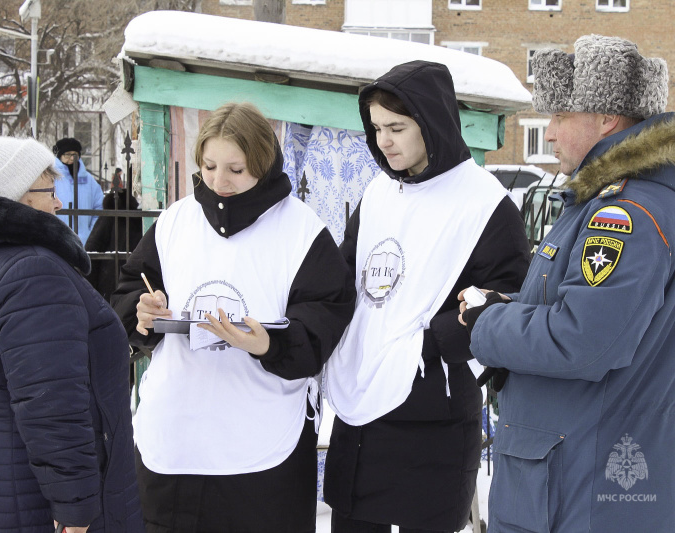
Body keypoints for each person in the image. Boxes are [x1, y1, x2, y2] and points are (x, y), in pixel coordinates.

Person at [460, 35, 674, 532]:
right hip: (569, 480)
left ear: (606, 120)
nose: (549, 134)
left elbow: (584, 340)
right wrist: (510, 304)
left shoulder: (624, 214)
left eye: (559, 117)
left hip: (578, 491)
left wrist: (488, 322)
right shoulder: (608, 202)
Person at [111, 102, 356, 533]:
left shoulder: (301, 231)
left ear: (262, 164)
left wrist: (268, 343)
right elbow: (132, 290)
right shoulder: (174, 222)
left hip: (261, 448)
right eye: (208, 166)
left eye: (236, 169)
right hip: (174, 438)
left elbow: (325, 319)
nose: (218, 181)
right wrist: (141, 314)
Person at [322, 60, 530, 533]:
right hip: (362, 411)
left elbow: (507, 299)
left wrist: (430, 343)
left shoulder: (485, 203)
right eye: (376, 128)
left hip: (431, 418)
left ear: (431, 121)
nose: (383, 141)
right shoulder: (378, 192)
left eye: (396, 127)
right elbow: (344, 273)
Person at [0, 133, 144, 533]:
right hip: (22, 502)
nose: (59, 203)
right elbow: (52, 402)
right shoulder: (30, 272)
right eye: (49, 190)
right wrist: (76, 508)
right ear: (17, 197)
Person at [85, 188, 143, 301]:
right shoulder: (139, 222)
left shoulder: (106, 219)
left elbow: (91, 252)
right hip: (133, 286)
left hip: (106, 285)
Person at [53, 137, 104, 244]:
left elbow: (99, 208)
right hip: (56, 239)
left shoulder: (89, 181)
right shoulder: (52, 178)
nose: (71, 158)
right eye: (67, 154)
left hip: (84, 241)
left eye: (75, 154)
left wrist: (91, 232)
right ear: (60, 156)